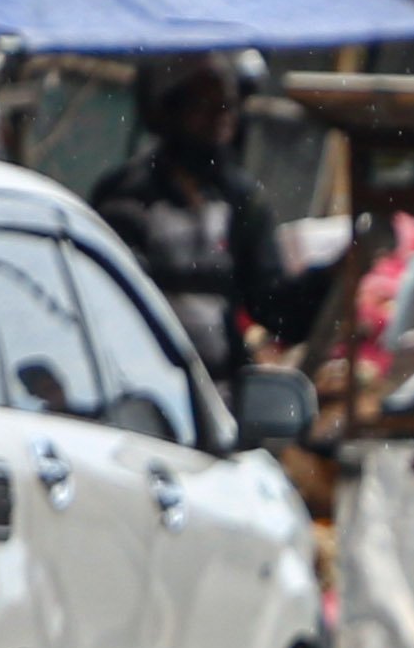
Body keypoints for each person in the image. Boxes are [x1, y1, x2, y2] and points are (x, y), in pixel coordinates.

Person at [91, 57, 320, 396]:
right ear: (166, 112)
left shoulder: (238, 199)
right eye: (204, 106)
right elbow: (115, 308)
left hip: (220, 401)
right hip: (143, 394)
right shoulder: (127, 198)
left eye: (226, 107)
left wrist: (329, 278)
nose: (219, 120)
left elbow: (272, 307)